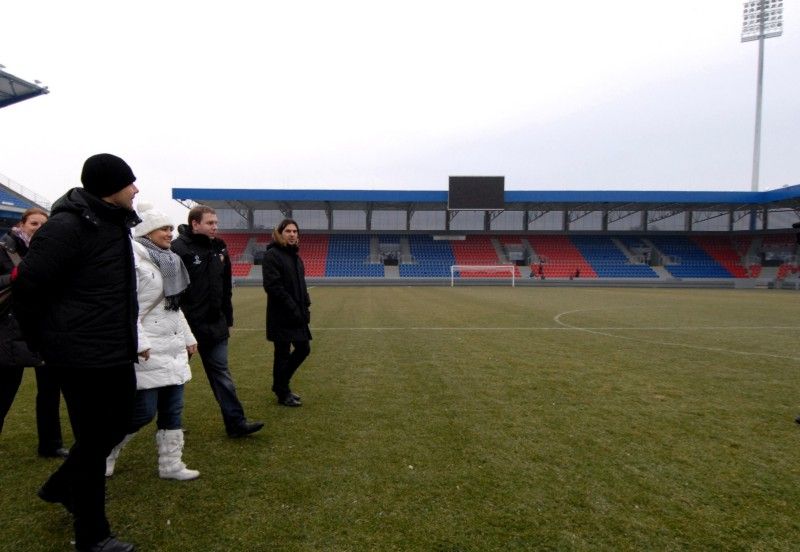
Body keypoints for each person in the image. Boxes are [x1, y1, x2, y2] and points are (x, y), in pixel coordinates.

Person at [13, 153, 141, 552]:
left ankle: (59, 486)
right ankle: (93, 535)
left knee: (120, 423)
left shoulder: (114, 224)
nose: (135, 190)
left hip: (115, 349)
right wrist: (45, 343)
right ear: (108, 187)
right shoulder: (67, 227)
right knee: (92, 441)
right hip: (79, 355)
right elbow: (28, 288)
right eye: (129, 183)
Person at [105, 203, 200, 481]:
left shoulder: (170, 260)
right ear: (147, 231)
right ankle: (106, 451)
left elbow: (174, 306)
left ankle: (171, 465)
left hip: (171, 347)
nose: (170, 233)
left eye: (171, 228)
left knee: (173, 410)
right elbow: (127, 307)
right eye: (164, 228)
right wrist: (139, 342)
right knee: (143, 411)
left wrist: (188, 337)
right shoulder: (134, 261)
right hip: (147, 347)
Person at [171, 205, 263, 437]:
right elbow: (171, 292)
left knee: (222, 375)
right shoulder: (178, 249)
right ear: (195, 224)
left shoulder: (220, 247)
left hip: (215, 325)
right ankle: (170, 424)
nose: (215, 227)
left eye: (216, 223)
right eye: (210, 223)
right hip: (186, 328)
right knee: (175, 376)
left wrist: (228, 318)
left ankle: (236, 424)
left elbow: (225, 287)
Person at [0, 208, 70, 459]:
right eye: (34, 223)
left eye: (44, 224)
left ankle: (50, 444)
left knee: (50, 389)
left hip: (44, 327)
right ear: (22, 224)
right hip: (12, 328)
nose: (39, 228)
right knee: (6, 387)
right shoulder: (4, 248)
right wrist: (15, 276)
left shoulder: (51, 252)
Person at [261, 219, 312, 407]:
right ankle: (283, 392)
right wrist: (292, 307)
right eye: (288, 231)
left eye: (295, 231)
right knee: (282, 353)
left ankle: (279, 384)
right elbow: (273, 286)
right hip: (281, 315)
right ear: (280, 233)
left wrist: (306, 305)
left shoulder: (296, 257)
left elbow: (301, 285)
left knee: (303, 349)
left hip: (297, 314)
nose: (292, 234)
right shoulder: (272, 255)